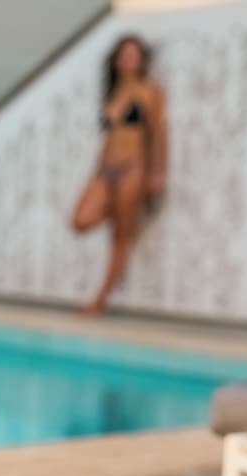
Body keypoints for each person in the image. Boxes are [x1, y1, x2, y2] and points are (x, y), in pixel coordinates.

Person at [71, 35, 167, 315]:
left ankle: (100, 300)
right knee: (80, 220)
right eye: (124, 54)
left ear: (142, 59)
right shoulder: (113, 92)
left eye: (134, 54)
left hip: (133, 168)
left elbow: (158, 133)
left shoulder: (150, 90)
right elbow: (108, 136)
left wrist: (157, 171)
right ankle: (120, 212)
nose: (128, 58)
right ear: (116, 59)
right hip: (105, 170)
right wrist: (96, 172)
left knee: (120, 239)